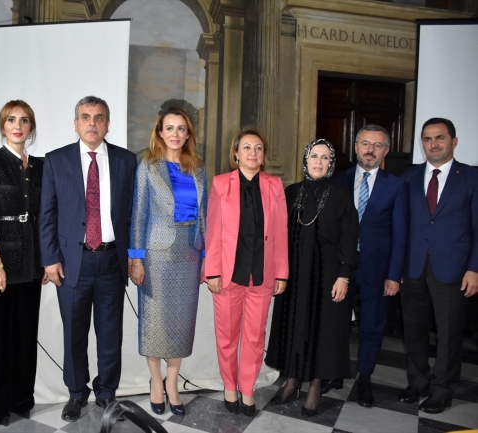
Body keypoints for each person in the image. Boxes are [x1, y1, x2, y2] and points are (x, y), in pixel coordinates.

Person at [39, 96, 136, 422]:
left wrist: (135, 257)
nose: (92, 123)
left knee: (111, 335)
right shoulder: (56, 160)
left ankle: (106, 394)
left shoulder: (126, 160)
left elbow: (133, 214)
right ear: (76, 123)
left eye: (99, 117)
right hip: (71, 263)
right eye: (85, 117)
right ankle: (77, 394)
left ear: (108, 123)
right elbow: (47, 214)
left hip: (111, 262)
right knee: (74, 335)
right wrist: (50, 258)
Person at [266, 139, 358, 418]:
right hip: (293, 273)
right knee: (294, 325)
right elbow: (278, 234)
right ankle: (292, 380)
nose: (319, 162)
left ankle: (316, 385)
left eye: (326, 158)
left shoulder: (341, 196)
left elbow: (349, 240)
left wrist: (343, 276)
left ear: (331, 164)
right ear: (305, 160)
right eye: (314, 156)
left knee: (324, 330)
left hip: (327, 274)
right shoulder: (292, 192)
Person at [0, 100, 46, 426]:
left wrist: (44, 261)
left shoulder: (40, 166)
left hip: (30, 264)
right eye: (11, 119)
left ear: (31, 128)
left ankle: (21, 401)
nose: (18, 125)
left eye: (24, 120)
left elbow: (45, 217)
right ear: (3, 125)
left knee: (26, 336)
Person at [204, 127, 289, 417]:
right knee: (227, 336)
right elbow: (213, 231)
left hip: (262, 275)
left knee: (254, 338)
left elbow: (280, 233)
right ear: (236, 154)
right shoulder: (220, 184)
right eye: (247, 148)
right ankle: (230, 386)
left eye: (258, 148)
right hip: (228, 274)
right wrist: (212, 271)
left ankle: (248, 389)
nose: (253, 153)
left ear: (263, 156)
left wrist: (281, 273)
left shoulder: (274, 186)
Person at [128, 108, 207, 416]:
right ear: (160, 132)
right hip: (157, 255)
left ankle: (172, 383)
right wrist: (136, 258)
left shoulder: (197, 168)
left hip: (189, 255)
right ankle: (156, 384)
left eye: (181, 129)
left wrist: (205, 256)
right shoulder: (147, 165)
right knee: (155, 322)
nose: (175, 134)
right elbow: (139, 214)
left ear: (188, 134)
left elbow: (204, 216)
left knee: (181, 324)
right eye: (169, 128)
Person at [399, 118, 478, 414]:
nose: (434, 144)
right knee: (414, 329)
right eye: (428, 138)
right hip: (413, 267)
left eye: (440, 138)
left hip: (454, 270)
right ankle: (418, 381)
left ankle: (442, 389)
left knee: (449, 333)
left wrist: (475, 268)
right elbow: (401, 227)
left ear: (454, 142)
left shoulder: (470, 178)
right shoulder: (408, 178)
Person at [330, 125, 407, 407]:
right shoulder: (338, 180)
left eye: (377, 145)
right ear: (356, 146)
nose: (370, 150)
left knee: (371, 327)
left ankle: (364, 378)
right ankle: (334, 372)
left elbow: (400, 234)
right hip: (341, 267)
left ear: (386, 151)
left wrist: (394, 275)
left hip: (377, 269)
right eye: (365, 143)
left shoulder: (397, 186)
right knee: (336, 322)